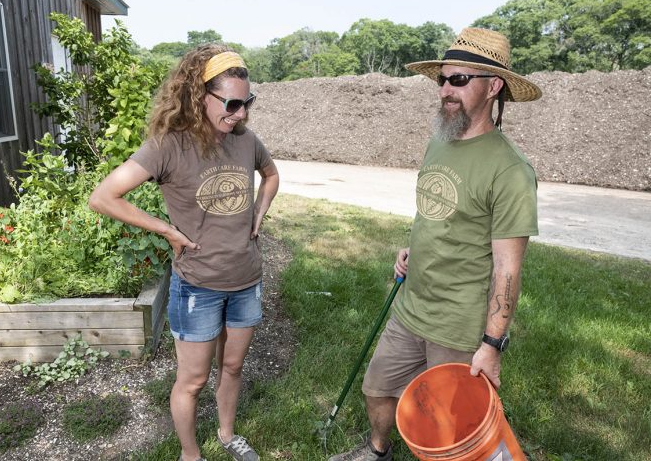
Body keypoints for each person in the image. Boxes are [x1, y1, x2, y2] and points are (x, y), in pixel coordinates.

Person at [329, 27, 542, 461]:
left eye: (458, 80)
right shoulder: (440, 140)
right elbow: (433, 211)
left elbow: (507, 269)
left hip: (458, 324)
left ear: (492, 86)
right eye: (442, 79)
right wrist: (413, 248)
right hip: (411, 306)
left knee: (453, 429)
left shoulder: (510, 170)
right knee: (378, 388)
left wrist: (491, 345)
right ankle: (376, 450)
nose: (445, 89)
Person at [89, 45, 279, 461]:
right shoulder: (168, 146)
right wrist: (165, 230)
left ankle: (228, 437)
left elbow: (270, 175)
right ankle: (190, 454)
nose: (241, 114)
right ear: (200, 96)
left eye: (247, 103)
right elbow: (104, 196)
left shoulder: (246, 141)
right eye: (231, 103)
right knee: (192, 381)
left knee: (232, 368)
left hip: (246, 281)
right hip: (198, 288)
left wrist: (258, 215)